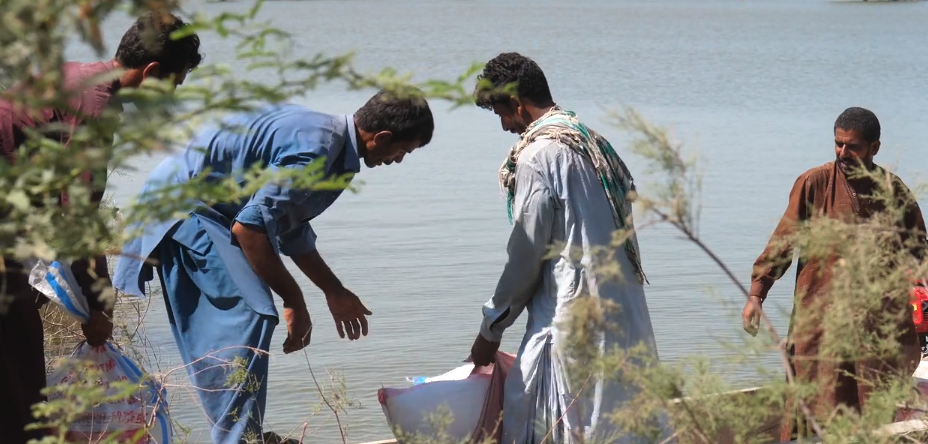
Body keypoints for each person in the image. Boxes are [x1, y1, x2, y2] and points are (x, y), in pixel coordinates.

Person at [112, 89, 434, 444]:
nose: (399, 160)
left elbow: (288, 228)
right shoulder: (318, 149)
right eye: (403, 151)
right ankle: (237, 438)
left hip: (209, 208)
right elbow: (249, 229)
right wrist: (294, 299)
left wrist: (333, 290)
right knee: (250, 314)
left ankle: (241, 434)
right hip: (183, 207)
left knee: (251, 315)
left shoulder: (330, 143)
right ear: (382, 137)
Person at [0, 12, 202, 444]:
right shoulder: (94, 107)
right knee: (20, 373)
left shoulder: (77, 76)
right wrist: (99, 309)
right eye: (173, 86)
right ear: (150, 74)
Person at [467, 52, 665, 444]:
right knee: (620, 419)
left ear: (518, 106)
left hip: (570, 314)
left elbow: (526, 254)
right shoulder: (593, 143)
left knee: (555, 418)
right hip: (621, 308)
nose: (506, 126)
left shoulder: (539, 155)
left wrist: (491, 328)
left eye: (502, 115)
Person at [742, 107, 926, 441]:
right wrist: (757, 294)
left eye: (852, 146)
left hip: (875, 324)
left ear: (875, 148)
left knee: (873, 405)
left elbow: (919, 251)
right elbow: (784, 241)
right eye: (838, 144)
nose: (843, 152)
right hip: (820, 322)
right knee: (816, 399)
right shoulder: (814, 183)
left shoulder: (894, 191)